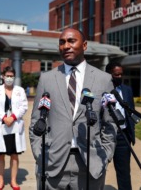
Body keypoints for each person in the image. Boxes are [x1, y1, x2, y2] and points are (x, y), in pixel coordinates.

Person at [29, 28, 117, 190]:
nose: (66, 46)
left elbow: (110, 122)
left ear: (84, 45)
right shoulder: (47, 79)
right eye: (62, 42)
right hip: (52, 162)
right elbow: (36, 120)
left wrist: (106, 154)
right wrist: (39, 154)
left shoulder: (103, 79)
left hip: (91, 163)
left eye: (71, 41)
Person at [0, 66, 28, 190]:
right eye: (7, 76)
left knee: (14, 155)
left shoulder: (20, 90)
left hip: (14, 125)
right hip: (1, 125)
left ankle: (13, 181)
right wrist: (4, 117)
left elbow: (24, 106)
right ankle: (0, 181)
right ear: (3, 76)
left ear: (14, 77)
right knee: (0, 155)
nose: (9, 78)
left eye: (11, 76)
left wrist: (14, 117)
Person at [105, 61, 135, 190]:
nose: (119, 77)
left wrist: (131, 129)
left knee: (124, 172)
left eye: (120, 74)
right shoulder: (100, 90)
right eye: (115, 75)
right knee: (97, 171)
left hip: (123, 136)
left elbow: (131, 111)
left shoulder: (127, 90)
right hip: (104, 137)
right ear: (108, 75)